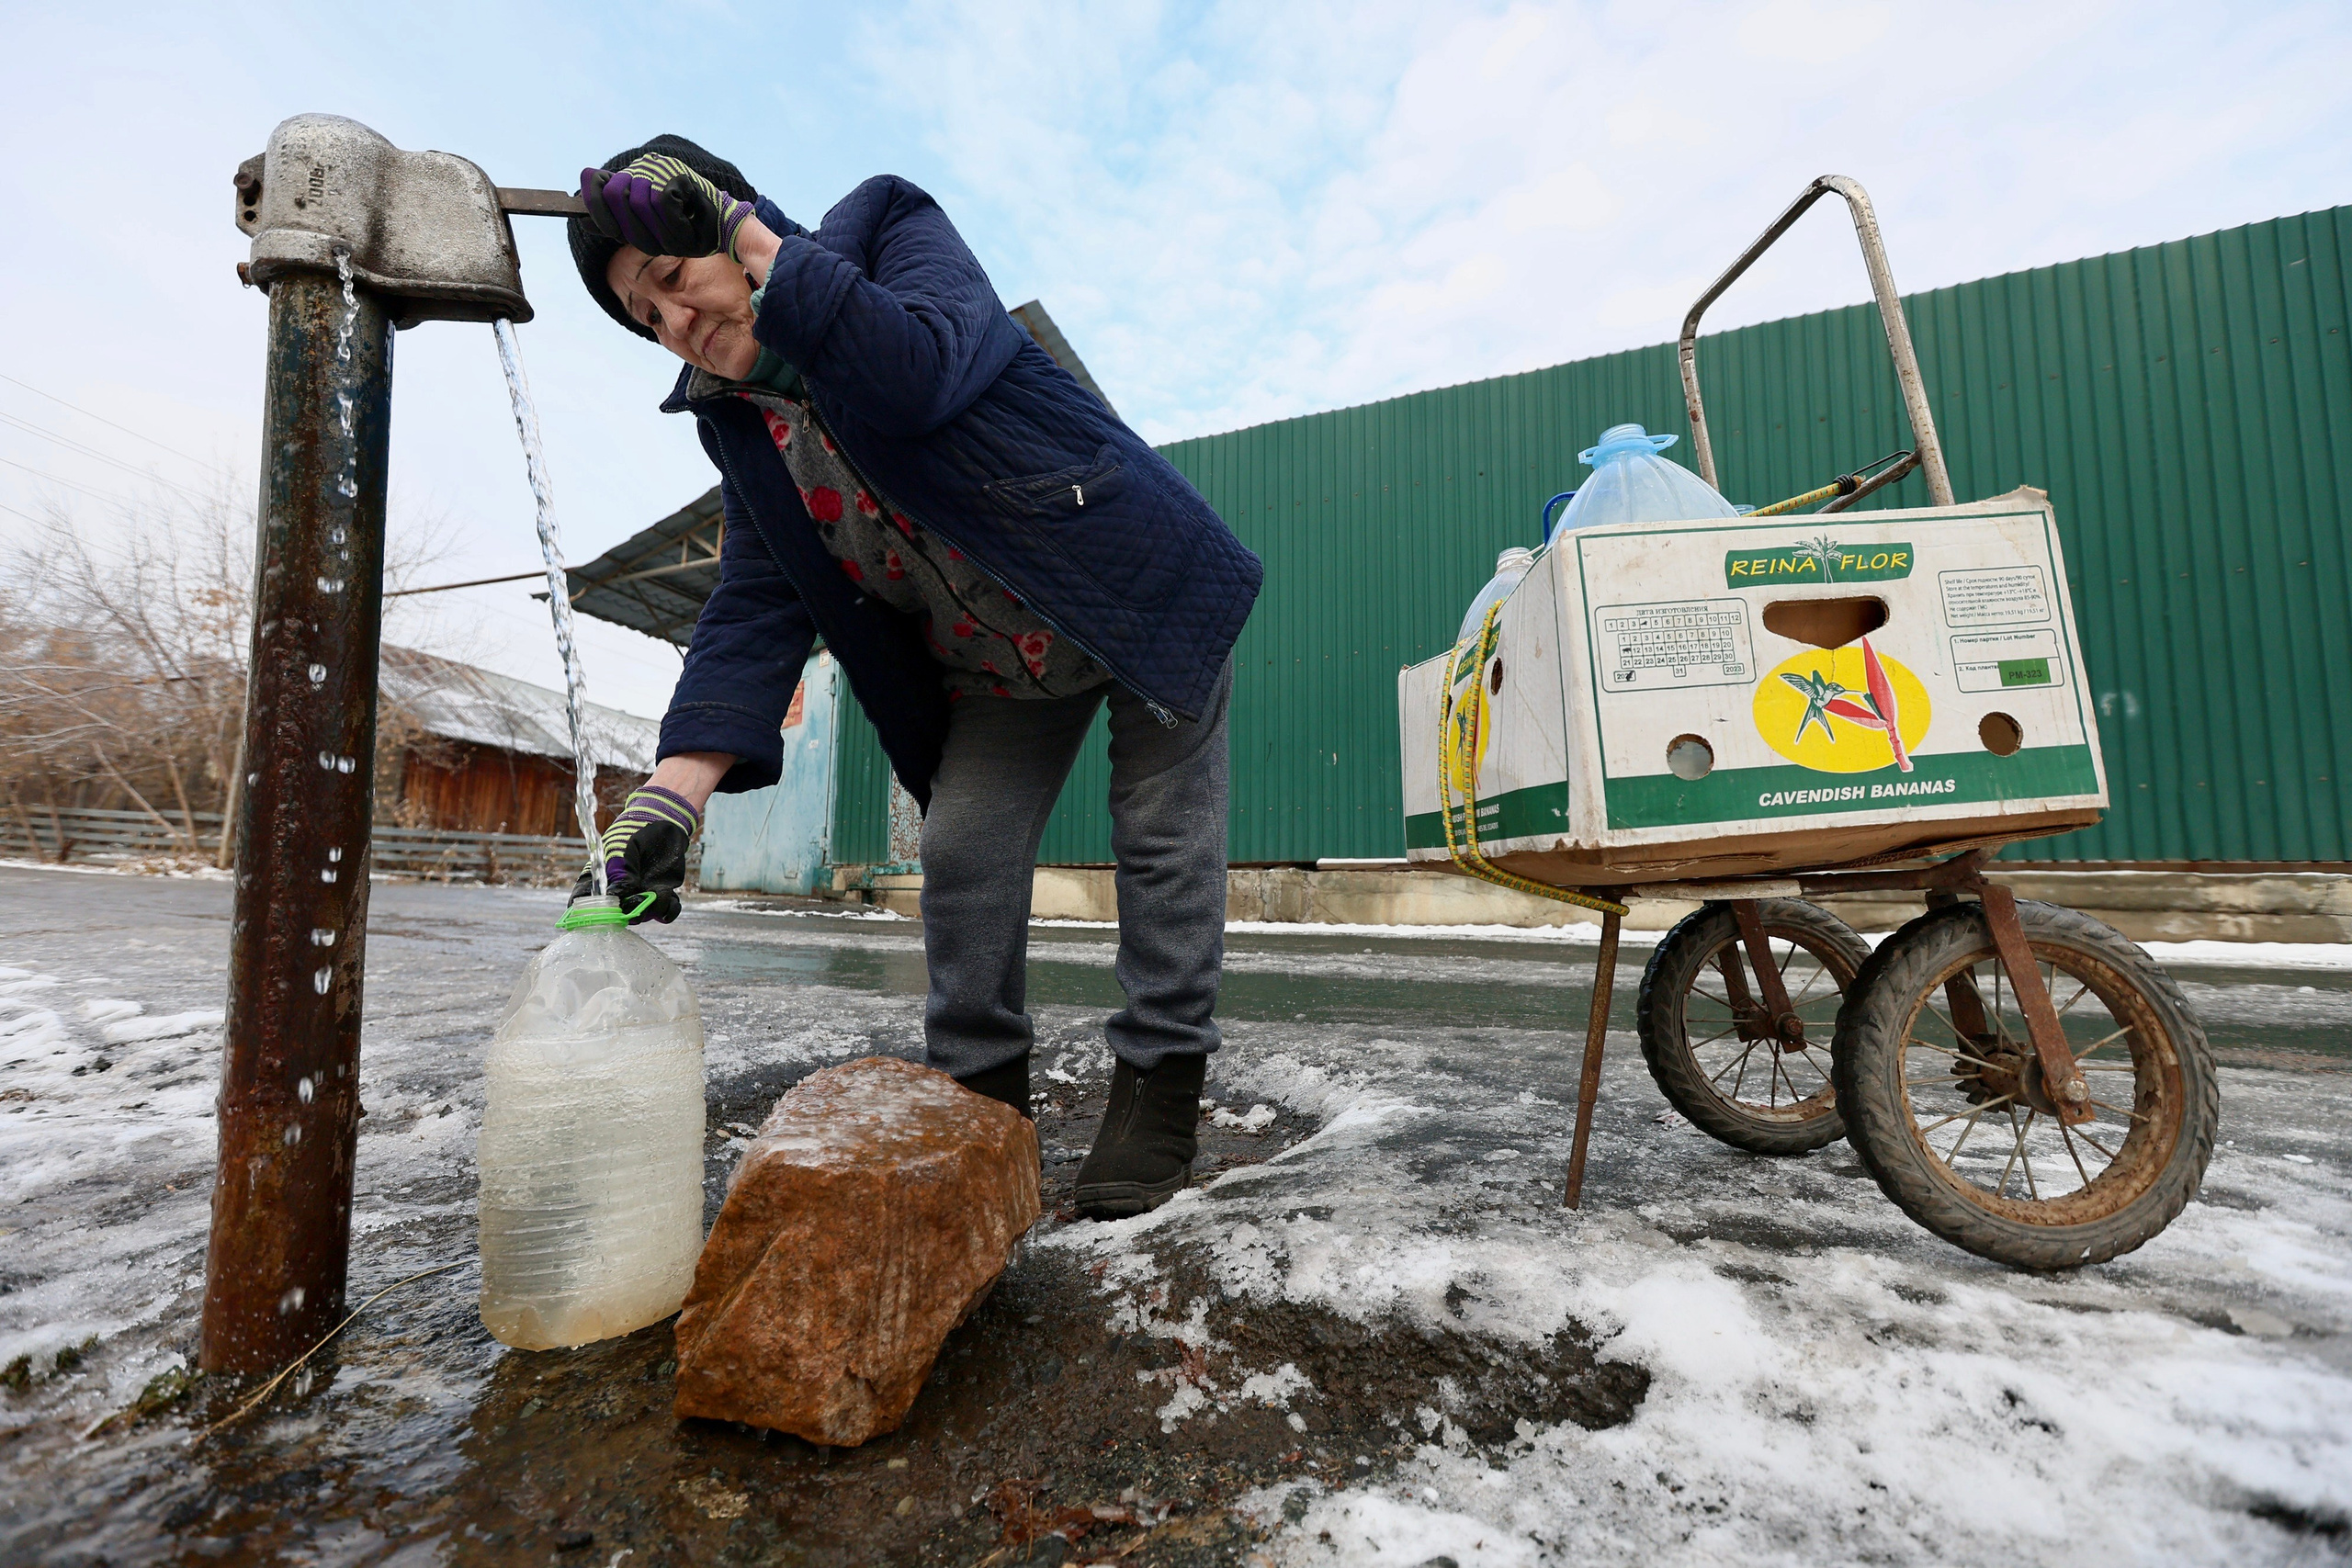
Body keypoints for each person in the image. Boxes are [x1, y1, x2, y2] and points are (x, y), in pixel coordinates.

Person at [569, 138, 1261, 1218]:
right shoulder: (740, 425)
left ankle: (1161, 1082)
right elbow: (757, 600)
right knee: (963, 850)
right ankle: (980, 1108)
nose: (675, 322)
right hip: (997, 664)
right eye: (645, 318)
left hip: (1133, 586)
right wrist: (672, 796)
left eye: (673, 278)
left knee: (1163, 835)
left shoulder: (888, 233)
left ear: (727, 225)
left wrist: (754, 240)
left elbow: (923, 367)